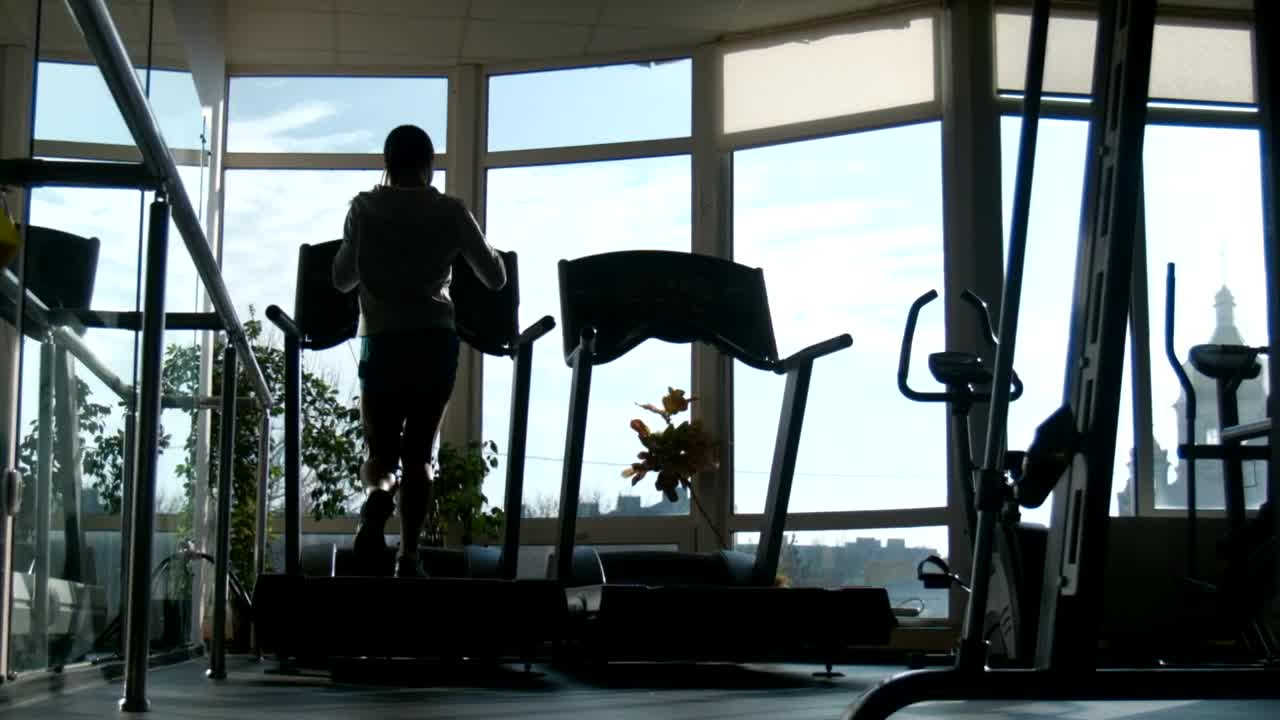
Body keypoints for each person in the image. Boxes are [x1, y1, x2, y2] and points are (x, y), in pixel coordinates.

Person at [333, 124, 506, 578]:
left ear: (386, 164)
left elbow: (341, 279)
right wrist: (496, 259)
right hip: (434, 341)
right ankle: (408, 557)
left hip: (383, 340)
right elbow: (494, 277)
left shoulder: (364, 208)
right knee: (420, 455)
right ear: (430, 164)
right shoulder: (450, 211)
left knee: (381, 453)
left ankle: (376, 497)